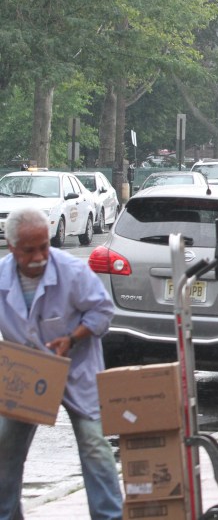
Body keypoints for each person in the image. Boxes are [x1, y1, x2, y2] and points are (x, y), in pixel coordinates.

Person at [0, 208, 122, 520]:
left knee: (95, 445)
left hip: (76, 369)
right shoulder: (2, 277)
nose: (40, 256)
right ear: (12, 247)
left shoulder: (71, 270)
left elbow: (102, 312)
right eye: (30, 250)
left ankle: (109, 516)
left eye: (44, 246)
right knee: (4, 445)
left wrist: (72, 338)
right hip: (27, 375)